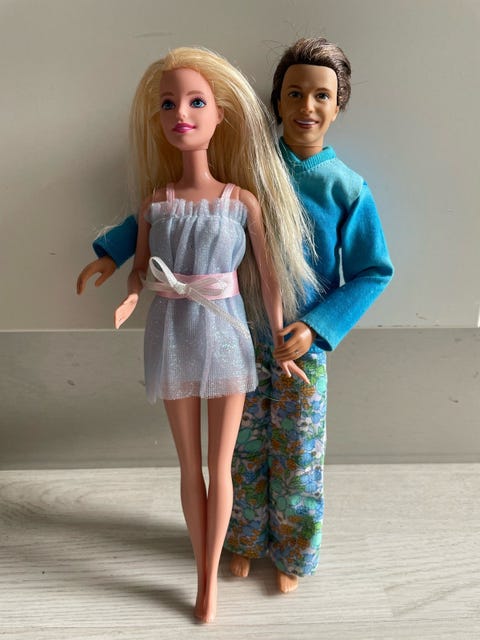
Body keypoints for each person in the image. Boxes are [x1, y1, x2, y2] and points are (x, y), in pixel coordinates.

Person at [77, 37, 394, 595]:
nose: (307, 107)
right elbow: (180, 202)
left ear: (339, 104)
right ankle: (242, 540)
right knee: (242, 450)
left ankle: (292, 550)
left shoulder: (346, 188)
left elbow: (373, 270)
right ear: (276, 101)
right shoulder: (251, 164)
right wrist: (113, 252)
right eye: (294, 93)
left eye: (322, 95)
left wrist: (318, 326)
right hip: (232, 330)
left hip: (301, 341)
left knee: (297, 449)